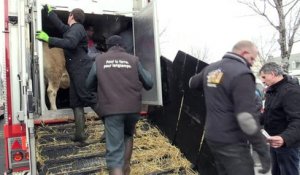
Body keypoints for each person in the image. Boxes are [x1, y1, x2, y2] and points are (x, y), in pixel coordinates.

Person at [189, 40, 271, 175]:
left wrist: (211, 87)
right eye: (252, 58)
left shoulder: (211, 69)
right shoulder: (242, 73)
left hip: (212, 136)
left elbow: (192, 83)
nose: (252, 63)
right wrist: (261, 148)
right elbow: (245, 118)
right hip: (232, 141)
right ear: (244, 53)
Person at [86, 35, 153, 175]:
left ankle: (119, 170)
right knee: (128, 135)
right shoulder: (134, 60)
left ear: (108, 46)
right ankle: (126, 169)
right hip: (133, 109)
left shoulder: (99, 60)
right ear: (123, 46)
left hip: (112, 110)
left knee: (114, 154)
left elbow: (88, 85)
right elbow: (149, 82)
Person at [36, 5, 97, 142]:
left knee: (88, 97)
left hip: (81, 69)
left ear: (71, 16)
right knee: (76, 102)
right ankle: (80, 134)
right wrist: (51, 13)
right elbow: (60, 26)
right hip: (75, 70)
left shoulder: (77, 29)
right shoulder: (72, 29)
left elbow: (70, 43)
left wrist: (49, 39)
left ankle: (110, 126)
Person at [259, 62, 300, 175]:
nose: (262, 81)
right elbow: (268, 114)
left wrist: (284, 138)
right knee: (276, 172)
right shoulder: (272, 91)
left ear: (272, 74)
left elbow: (297, 120)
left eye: (264, 77)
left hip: (287, 144)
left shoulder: (291, 91)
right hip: (274, 141)